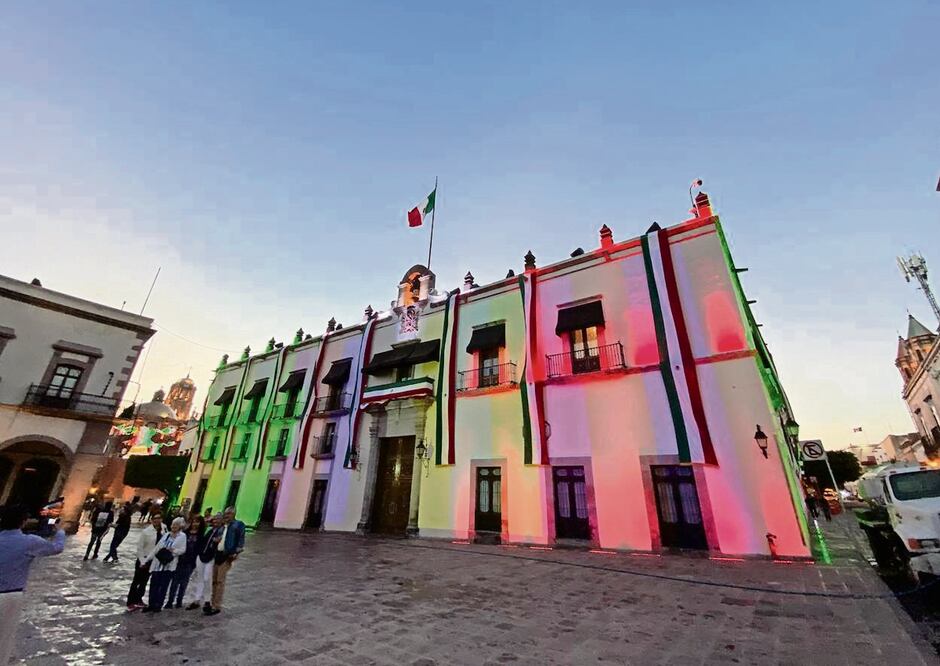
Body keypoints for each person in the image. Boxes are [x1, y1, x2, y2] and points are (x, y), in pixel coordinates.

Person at [0, 506, 66, 664]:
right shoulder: (29, 542)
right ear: (23, 522)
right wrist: (60, 531)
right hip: (10, 596)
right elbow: (56, 548)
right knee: (4, 638)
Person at [206, 506, 245, 616]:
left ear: (233, 514)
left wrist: (236, 552)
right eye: (225, 514)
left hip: (227, 555)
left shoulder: (238, 525)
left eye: (229, 514)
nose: (226, 516)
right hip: (217, 554)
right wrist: (215, 541)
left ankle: (216, 605)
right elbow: (217, 537)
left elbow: (241, 539)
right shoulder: (222, 526)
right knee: (214, 580)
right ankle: (212, 602)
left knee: (220, 581)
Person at [142, 517, 187, 613]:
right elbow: (157, 548)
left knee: (163, 585)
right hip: (158, 563)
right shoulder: (166, 535)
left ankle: (158, 605)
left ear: (180, 526)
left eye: (176, 525)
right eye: (173, 524)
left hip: (169, 565)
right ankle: (151, 604)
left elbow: (183, 550)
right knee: (154, 584)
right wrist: (146, 560)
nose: (174, 526)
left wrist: (174, 551)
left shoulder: (182, 536)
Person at [165, 515, 205, 609]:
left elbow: (200, 550)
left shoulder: (201, 536)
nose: (195, 524)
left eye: (197, 522)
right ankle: (170, 601)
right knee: (174, 582)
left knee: (184, 582)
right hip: (180, 560)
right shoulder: (184, 533)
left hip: (190, 562)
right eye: (193, 521)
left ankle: (179, 601)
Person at [126, 512, 163, 610]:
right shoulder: (146, 532)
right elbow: (140, 547)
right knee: (136, 581)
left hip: (154, 560)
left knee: (144, 581)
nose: (157, 520)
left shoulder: (163, 530)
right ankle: (130, 601)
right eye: (155, 518)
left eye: (159, 518)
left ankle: (139, 599)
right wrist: (142, 561)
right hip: (144, 558)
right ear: (152, 520)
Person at [185, 513, 222, 611]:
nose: (215, 521)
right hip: (201, 555)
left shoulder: (221, 531)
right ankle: (197, 600)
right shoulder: (209, 530)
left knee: (207, 579)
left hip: (210, 557)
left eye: (218, 519)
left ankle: (207, 600)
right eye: (214, 519)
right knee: (200, 578)